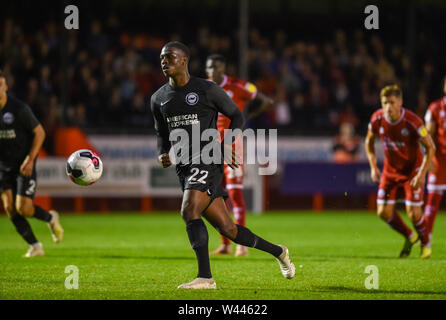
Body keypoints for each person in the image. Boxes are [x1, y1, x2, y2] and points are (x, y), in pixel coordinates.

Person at [150, 42, 295, 289]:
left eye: (170, 57)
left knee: (188, 210)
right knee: (228, 229)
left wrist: (228, 143)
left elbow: (237, 116)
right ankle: (279, 251)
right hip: (184, 167)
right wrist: (163, 153)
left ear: (184, 60)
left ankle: (205, 278)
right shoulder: (158, 98)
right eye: (162, 58)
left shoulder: (207, 89)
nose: (165, 62)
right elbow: (162, 135)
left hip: (208, 158)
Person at [205, 54, 274, 256]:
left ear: (223, 67)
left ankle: (241, 245)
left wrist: (248, 116)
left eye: (215, 67)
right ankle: (225, 244)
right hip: (211, 146)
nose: (211, 71)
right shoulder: (204, 87)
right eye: (208, 67)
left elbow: (266, 101)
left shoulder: (238, 86)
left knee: (235, 193)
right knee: (215, 196)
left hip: (233, 144)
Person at [365, 84, 435, 259]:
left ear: (400, 102)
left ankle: (426, 245)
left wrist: (421, 174)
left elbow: (430, 147)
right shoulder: (376, 119)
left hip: (413, 171)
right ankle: (411, 236)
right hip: (390, 171)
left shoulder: (413, 121)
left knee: (414, 213)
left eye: (392, 102)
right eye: (385, 102)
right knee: (383, 212)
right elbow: (369, 142)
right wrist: (373, 166)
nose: (388, 106)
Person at [0, 70, 64, 257]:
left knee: (24, 208)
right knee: (9, 208)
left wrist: (30, 159)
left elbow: (40, 133)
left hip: (23, 164)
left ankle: (50, 217)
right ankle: (35, 246)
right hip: (3, 166)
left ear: (5, 87)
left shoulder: (18, 109)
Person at [424, 76, 446, 244]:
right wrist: (429, 157)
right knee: (433, 197)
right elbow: (429, 136)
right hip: (440, 158)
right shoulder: (435, 108)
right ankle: (426, 237)